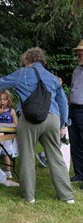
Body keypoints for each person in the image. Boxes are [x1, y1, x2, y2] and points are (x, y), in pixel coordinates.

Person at [0, 47, 74, 204]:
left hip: (31, 119)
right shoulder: (52, 77)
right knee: (56, 156)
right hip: (53, 119)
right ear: (41, 61)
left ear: (27, 60)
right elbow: (63, 103)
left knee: (27, 156)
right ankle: (67, 197)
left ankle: (29, 196)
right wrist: (63, 124)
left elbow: (1, 82)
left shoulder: (23, 73)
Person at [0, 89, 18, 179]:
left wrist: (8, 126)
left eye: (4, 99)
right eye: (0, 99)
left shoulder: (11, 111)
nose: (2, 101)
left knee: (6, 154)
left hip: (7, 136)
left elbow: (15, 124)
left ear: (8, 100)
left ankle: (8, 171)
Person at [68, 39, 83, 190]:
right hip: (73, 110)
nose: (78, 55)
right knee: (76, 143)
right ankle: (79, 174)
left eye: (81, 53)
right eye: (78, 53)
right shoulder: (76, 70)